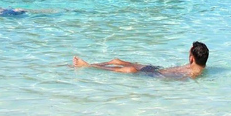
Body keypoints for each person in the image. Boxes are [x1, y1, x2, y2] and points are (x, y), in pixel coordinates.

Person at [73, 41, 209, 79]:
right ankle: (91, 65)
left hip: (156, 73)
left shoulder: (193, 72)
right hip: (157, 71)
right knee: (129, 67)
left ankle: (89, 66)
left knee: (131, 68)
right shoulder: (197, 69)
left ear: (192, 58)